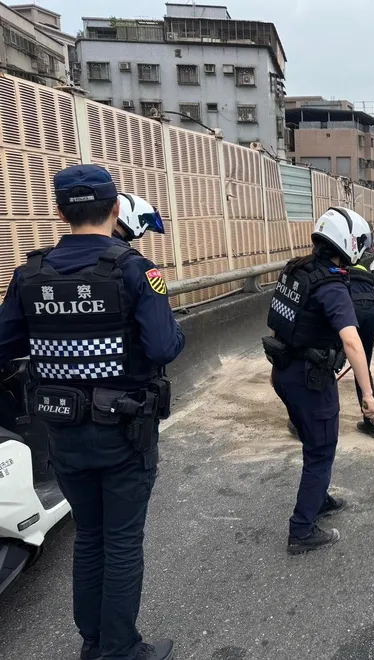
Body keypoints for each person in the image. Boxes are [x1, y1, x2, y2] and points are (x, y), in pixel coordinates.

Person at [0, 165, 185, 660]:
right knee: (122, 543)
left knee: (90, 539)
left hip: (61, 433)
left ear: (60, 211)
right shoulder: (137, 270)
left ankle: (93, 643)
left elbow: (4, 348)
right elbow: (165, 347)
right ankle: (120, 649)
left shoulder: (28, 274)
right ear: (113, 208)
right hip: (124, 434)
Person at [264, 207, 374, 555]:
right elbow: (352, 342)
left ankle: (319, 497)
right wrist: (369, 397)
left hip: (285, 372)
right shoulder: (331, 284)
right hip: (309, 379)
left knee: (314, 442)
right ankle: (301, 530)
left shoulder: (296, 270)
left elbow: (279, 323)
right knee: (321, 450)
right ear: (348, 243)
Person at [349, 232, 374, 438]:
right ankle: (372, 424)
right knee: (362, 367)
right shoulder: (367, 262)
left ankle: (303, 423)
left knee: (322, 365)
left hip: (349, 306)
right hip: (370, 310)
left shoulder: (332, 263)